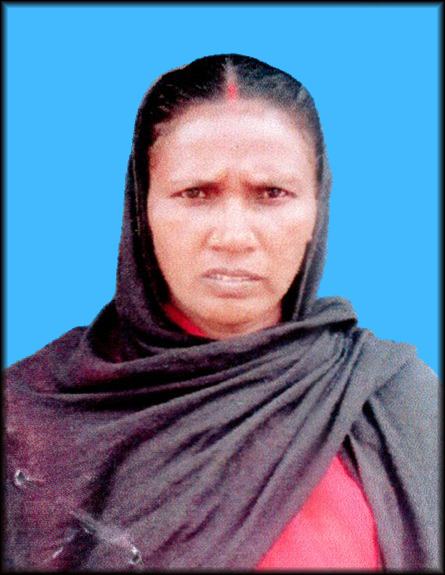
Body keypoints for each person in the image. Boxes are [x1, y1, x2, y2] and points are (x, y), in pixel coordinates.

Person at [3, 54, 438, 571]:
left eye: (272, 193)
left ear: (317, 209)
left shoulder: (390, 397)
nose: (233, 236)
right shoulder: (30, 415)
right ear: (143, 207)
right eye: (195, 193)